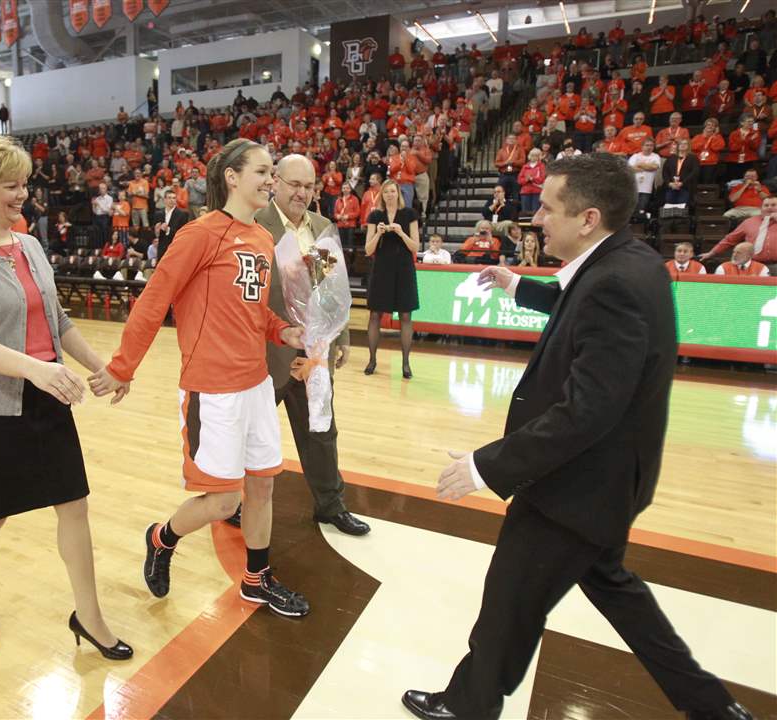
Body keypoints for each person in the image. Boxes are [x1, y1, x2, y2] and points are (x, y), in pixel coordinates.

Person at [403, 153, 754, 720]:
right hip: (603, 485)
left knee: (508, 601)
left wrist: (486, 466)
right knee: (615, 593)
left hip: (576, 487)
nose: (536, 219)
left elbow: (587, 411)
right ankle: (715, 708)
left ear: (587, 218)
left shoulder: (614, 283)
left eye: (547, 208)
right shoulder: (625, 261)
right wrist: (516, 283)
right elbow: (574, 304)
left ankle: (468, 706)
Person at [0, 132, 132, 661]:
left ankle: (89, 616)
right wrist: (38, 372)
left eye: (24, 184)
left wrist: (100, 365)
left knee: (74, 506)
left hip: (48, 397)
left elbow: (57, 320)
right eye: (9, 186)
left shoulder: (32, 245)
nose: (22, 195)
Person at [89, 138, 309, 618]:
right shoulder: (199, 234)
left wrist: (285, 330)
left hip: (254, 385)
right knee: (222, 499)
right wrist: (122, 367)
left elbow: (258, 313)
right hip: (212, 390)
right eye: (263, 172)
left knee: (263, 486)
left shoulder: (264, 240)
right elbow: (154, 300)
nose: (271, 180)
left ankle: (256, 579)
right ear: (232, 177)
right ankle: (161, 536)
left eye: (273, 173)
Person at [223, 154, 368, 536]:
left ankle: (330, 505)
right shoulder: (255, 223)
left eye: (309, 186)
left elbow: (331, 292)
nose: (302, 193)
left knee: (322, 431)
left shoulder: (322, 228)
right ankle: (229, 501)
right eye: (294, 184)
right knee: (247, 432)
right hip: (266, 354)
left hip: (315, 354)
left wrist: (342, 335)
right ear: (276, 181)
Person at [364, 179, 420, 379]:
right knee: (374, 315)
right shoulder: (375, 216)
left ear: (399, 194)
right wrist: (378, 234)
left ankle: (406, 364)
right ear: (382, 195)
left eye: (392, 191)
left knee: (406, 316)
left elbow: (415, 247)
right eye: (386, 191)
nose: (389, 194)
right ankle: (372, 360)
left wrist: (400, 232)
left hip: (404, 269)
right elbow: (368, 249)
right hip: (381, 269)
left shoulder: (409, 214)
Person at [701, 196, 777, 271]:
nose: (769, 208)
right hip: (754, 266)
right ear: (761, 208)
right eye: (766, 205)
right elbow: (729, 240)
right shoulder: (748, 222)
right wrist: (711, 253)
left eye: (773, 205)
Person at [628, 138, 661, 216]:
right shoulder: (635, 156)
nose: (649, 147)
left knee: (641, 210)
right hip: (634, 188)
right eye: (647, 145)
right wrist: (647, 166)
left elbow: (654, 167)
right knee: (631, 210)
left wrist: (639, 164)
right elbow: (630, 169)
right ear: (642, 146)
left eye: (651, 145)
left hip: (646, 189)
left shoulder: (655, 156)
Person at [661, 139, 699, 207]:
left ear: (689, 146)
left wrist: (682, 183)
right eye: (681, 144)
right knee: (670, 206)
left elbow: (694, 172)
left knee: (682, 206)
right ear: (678, 146)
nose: (683, 145)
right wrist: (669, 183)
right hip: (671, 187)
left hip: (685, 187)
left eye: (685, 144)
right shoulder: (671, 158)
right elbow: (665, 172)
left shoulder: (693, 158)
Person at [153, 188, 188, 260]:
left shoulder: (182, 214)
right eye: (169, 198)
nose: (172, 200)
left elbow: (183, 233)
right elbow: (156, 235)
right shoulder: (158, 214)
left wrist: (168, 230)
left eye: (174, 198)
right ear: (164, 200)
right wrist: (157, 232)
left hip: (176, 248)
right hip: (162, 249)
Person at [517, 149, 546, 216]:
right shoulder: (525, 167)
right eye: (532, 155)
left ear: (539, 157)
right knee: (525, 213)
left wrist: (532, 178)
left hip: (537, 191)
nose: (534, 157)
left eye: (536, 156)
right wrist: (526, 179)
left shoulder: (541, 166)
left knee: (535, 212)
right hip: (525, 192)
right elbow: (519, 180)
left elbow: (542, 179)